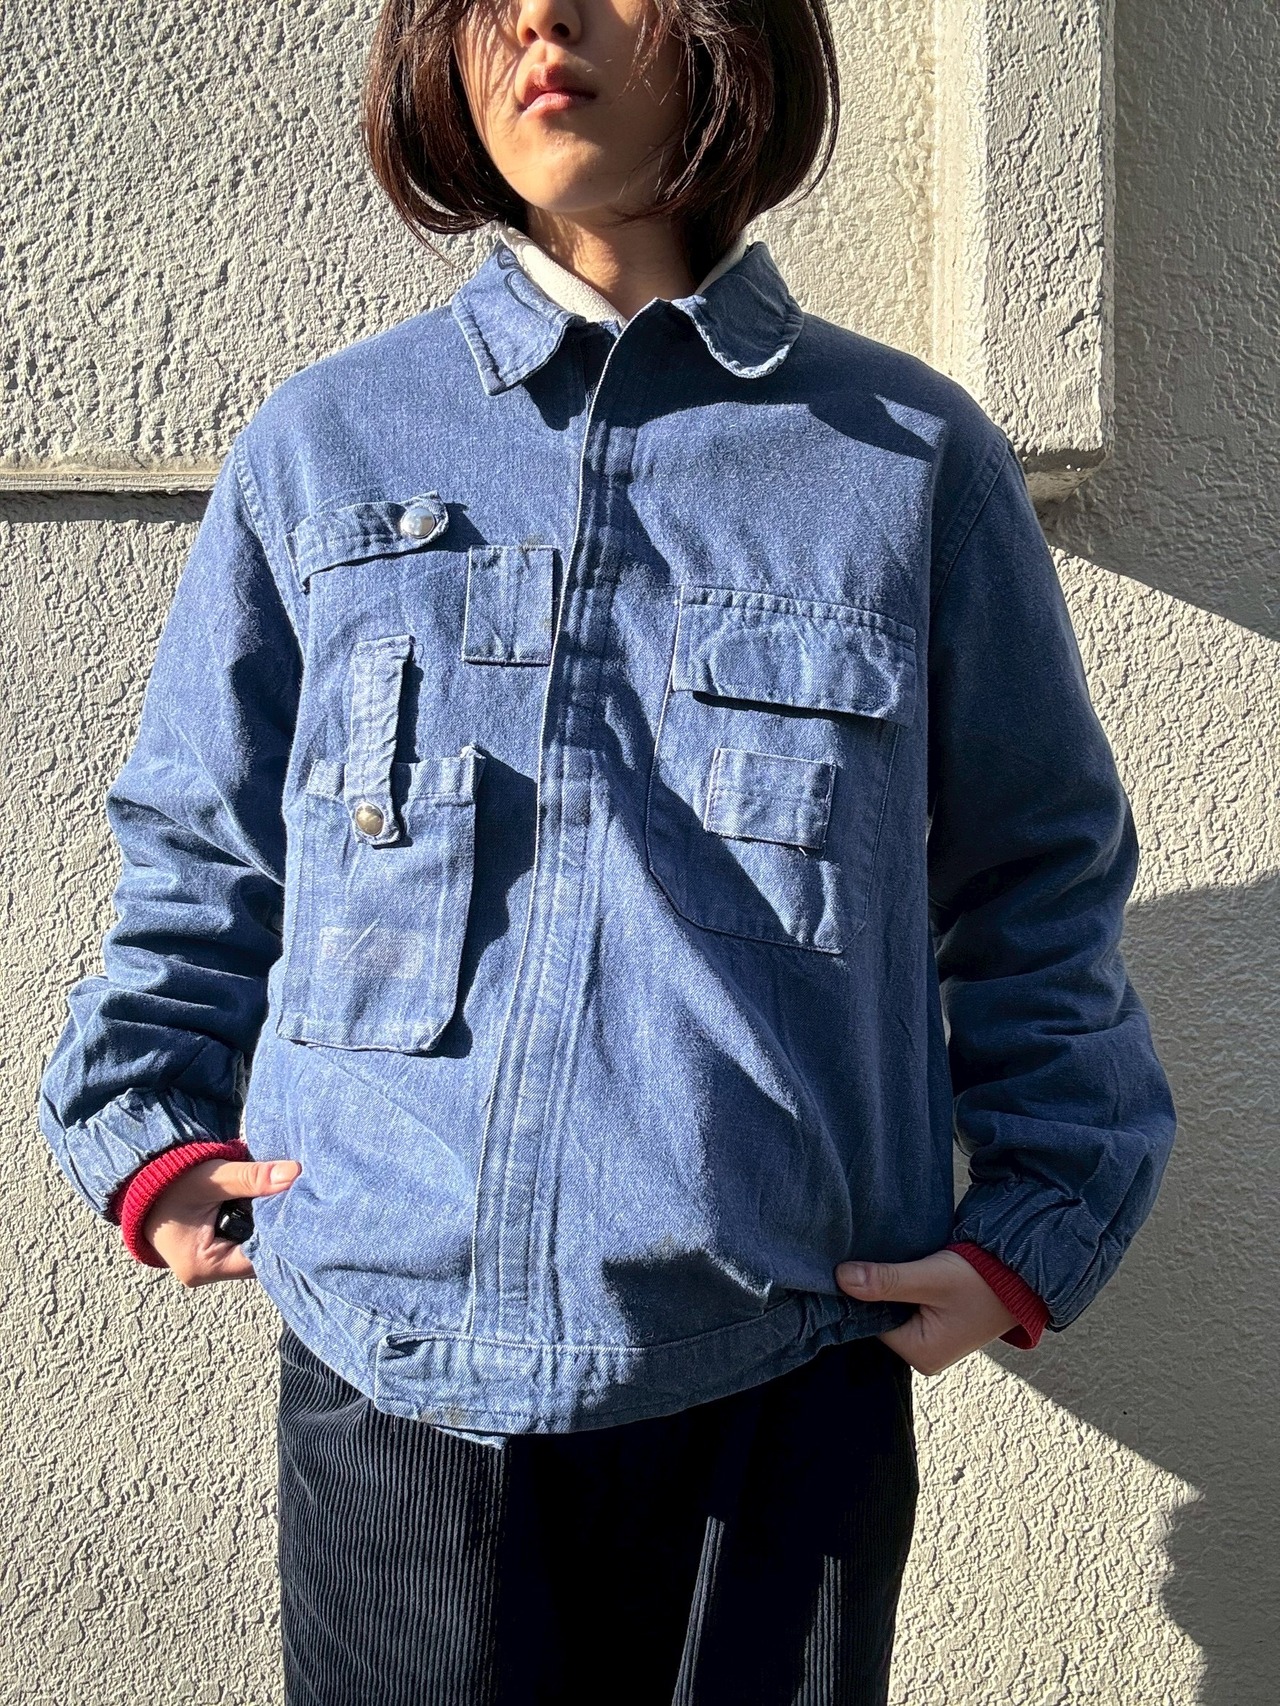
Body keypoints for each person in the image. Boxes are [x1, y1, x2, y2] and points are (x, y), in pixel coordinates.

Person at [37, 0, 1177, 1699]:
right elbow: (203, 832)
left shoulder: (902, 459)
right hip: (394, 1368)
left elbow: (1039, 870)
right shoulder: (329, 443)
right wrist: (146, 1117)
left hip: (781, 1376)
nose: (540, 22)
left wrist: (1035, 1219)